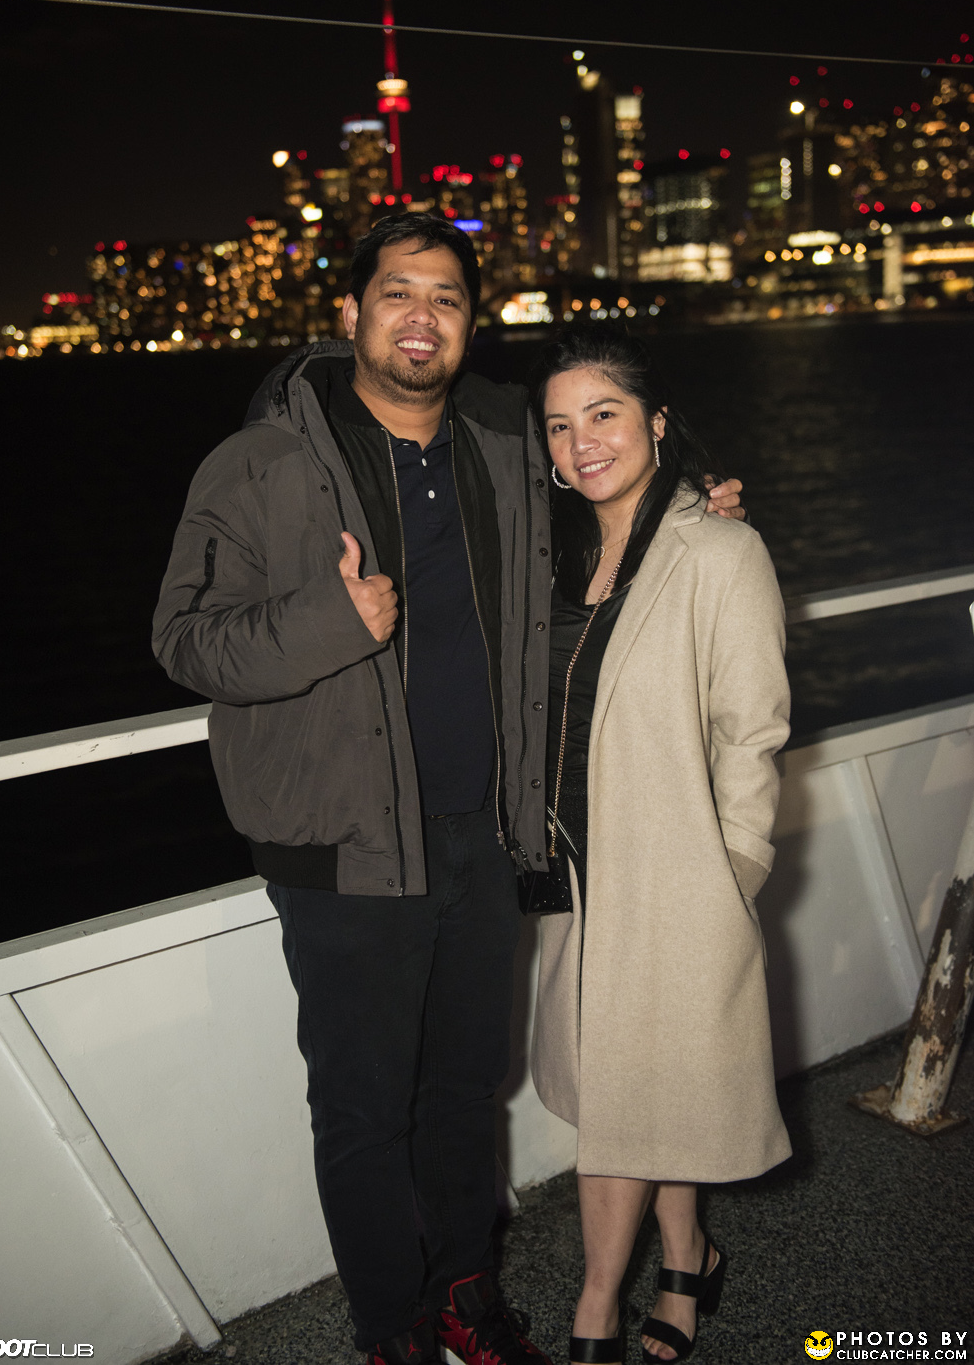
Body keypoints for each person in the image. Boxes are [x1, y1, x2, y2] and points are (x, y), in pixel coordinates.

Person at [152, 214, 746, 1365]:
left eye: (446, 299)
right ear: (349, 315)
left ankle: (468, 1300)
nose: (420, 317)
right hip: (341, 843)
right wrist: (326, 621)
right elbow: (183, 639)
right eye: (396, 294)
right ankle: (392, 1332)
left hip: (481, 834)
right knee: (364, 1110)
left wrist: (692, 501)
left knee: (466, 1090)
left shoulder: (500, 439)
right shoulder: (261, 462)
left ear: (471, 325)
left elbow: (610, 458)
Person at [528, 322, 790, 1365]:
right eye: (558, 425)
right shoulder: (556, 557)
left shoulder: (720, 550)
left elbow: (752, 730)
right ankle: (688, 1260)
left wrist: (732, 875)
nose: (580, 441)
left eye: (603, 414)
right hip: (575, 874)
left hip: (672, 877)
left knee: (623, 1096)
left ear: (656, 423)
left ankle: (595, 1307)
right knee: (646, 1084)